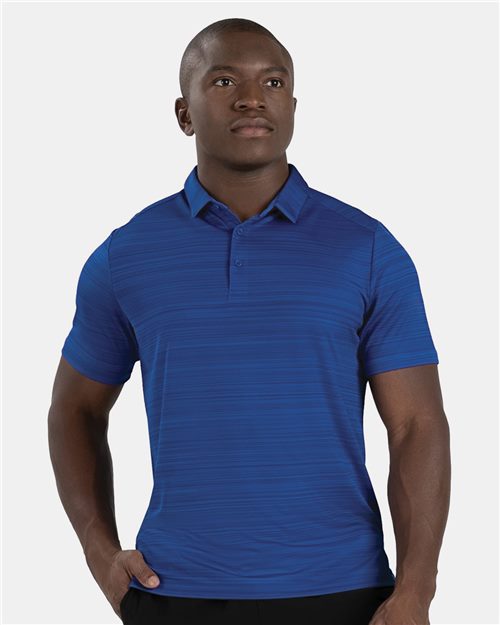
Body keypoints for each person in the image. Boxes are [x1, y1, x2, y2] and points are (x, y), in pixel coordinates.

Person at [48, 17, 451, 625]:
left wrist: (416, 590)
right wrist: (99, 554)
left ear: (293, 107)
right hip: (174, 593)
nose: (252, 97)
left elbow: (417, 425)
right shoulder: (126, 255)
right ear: (184, 114)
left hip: (344, 594)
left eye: (274, 81)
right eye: (224, 81)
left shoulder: (366, 248)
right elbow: (73, 410)